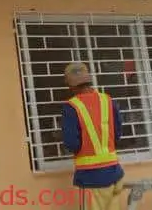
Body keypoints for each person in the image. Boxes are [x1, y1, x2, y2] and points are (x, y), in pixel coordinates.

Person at [60, 62, 125, 210]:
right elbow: (117, 134)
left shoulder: (71, 107)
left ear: (70, 85)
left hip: (92, 178)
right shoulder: (107, 100)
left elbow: (72, 143)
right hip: (115, 174)